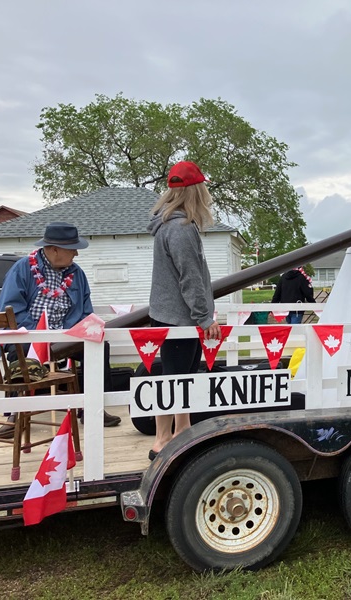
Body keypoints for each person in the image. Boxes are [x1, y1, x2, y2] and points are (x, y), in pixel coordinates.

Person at [0, 222, 122, 434]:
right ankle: (15, 413)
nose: (76, 255)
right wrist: (39, 335)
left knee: (100, 348)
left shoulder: (77, 274)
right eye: (73, 249)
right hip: (28, 337)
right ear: (54, 249)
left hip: (65, 338)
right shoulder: (23, 269)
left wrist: (85, 330)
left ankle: (93, 409)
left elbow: (85, 312)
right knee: (21, 352)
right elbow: (10, 310)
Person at [148, 160, 221, 460]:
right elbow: (190, 277)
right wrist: (204, 317)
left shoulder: (167, 225)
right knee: (178, 379)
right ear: (196, 192)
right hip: (180, 319)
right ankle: (163, 440)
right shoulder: (181, 228)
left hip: (167, 315)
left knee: (177, 378)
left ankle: (181, 432)